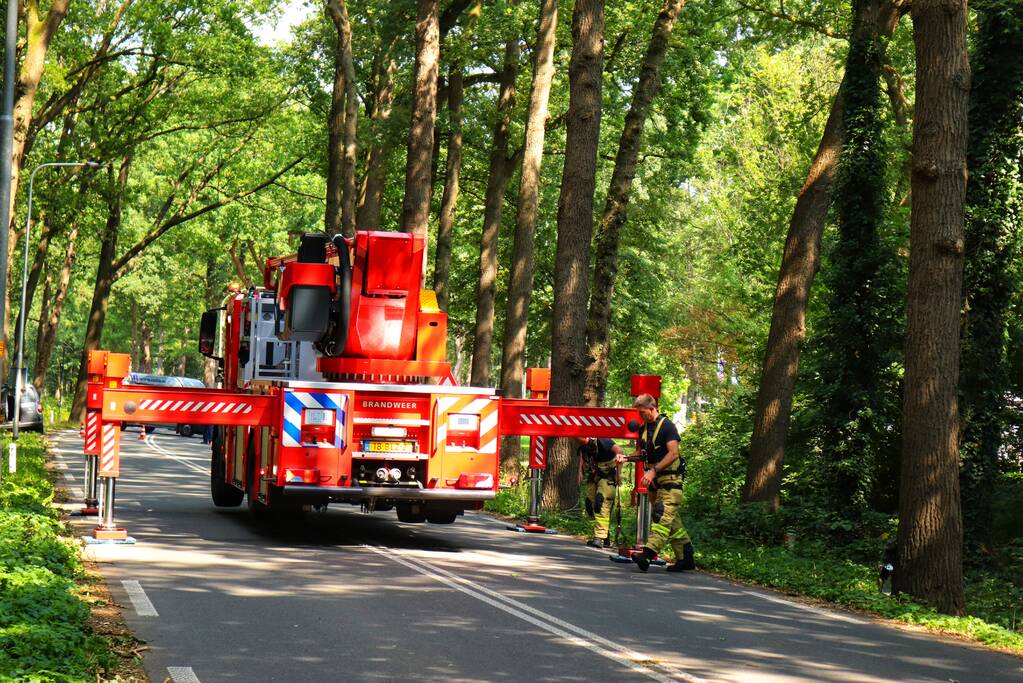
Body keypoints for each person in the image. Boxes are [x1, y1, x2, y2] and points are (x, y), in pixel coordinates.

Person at [616, 393, 695, 572]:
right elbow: (642, 454)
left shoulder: (667, 426)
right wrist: (626, 458)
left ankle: (647, 555)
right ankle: (686, 558)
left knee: (660, 517)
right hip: (656, 483)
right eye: (639, 413)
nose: (640, 416)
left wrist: (653, 471)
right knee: (670, 521)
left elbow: (673, 453)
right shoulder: (644, 429)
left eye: (642, 412)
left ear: (652, 408)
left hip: (670, 481)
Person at [576, 436, 624, 548]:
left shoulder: (602, 440)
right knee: (590, 504)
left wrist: (619, 474)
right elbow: (583, 456)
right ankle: (603, 535)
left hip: (608, 476)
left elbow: (620, 451)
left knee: (601, 503)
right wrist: (580, 472)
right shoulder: (583, 445)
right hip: (594, 475)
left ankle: (599, 537)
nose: (574, 440)